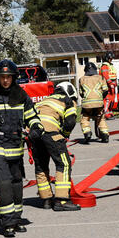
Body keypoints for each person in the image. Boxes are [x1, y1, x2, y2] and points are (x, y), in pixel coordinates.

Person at [0, 59, 45, 238]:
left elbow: (32, 118)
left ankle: (17, 218)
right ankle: (7, 223)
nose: (5, 80)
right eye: (2, 77)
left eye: (8, 77)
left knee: (17, 185)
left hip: (16, 148)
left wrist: (35, 130)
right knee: (4, 184)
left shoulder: (21, 96)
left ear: (14, 78)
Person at [33, 81, 81, 211]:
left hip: (35, 134)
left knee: (41, 166)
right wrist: (65, 135)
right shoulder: (67, 100)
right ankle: (62, 200)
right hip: (51, 133)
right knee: (64, 164)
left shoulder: (43, 100)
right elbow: (70, 121)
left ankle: (46, 200)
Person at [78, 61, 110, 143]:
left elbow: (81, 93)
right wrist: (100, 98)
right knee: (101, 119)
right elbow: (105, 90)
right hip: (99, 103)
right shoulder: (101, 78)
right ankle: (105, 135)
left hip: (87, 105)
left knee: (85, 118)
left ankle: (87, 132)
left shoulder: (81, 79)